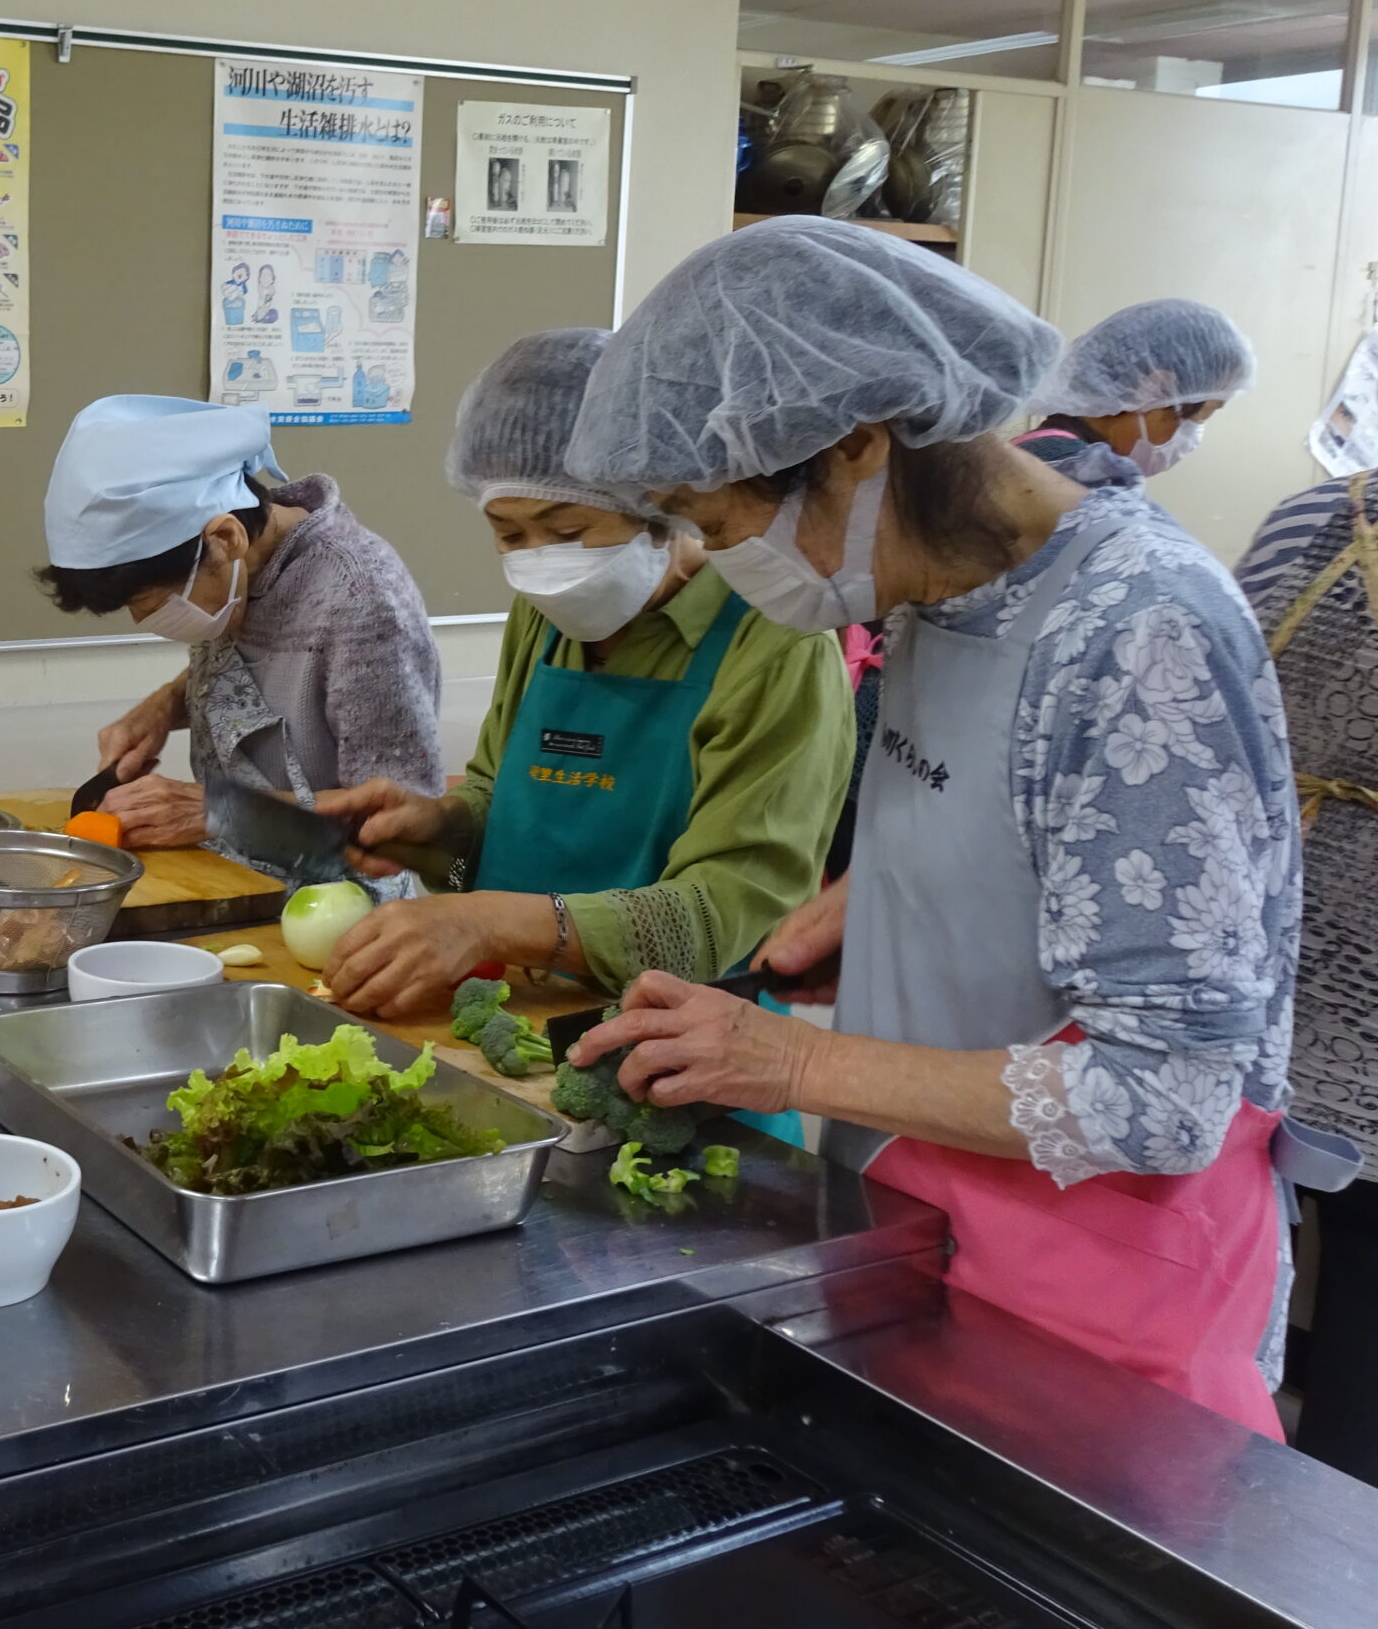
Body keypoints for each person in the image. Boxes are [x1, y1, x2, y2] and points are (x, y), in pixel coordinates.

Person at [556, 216, 1337, 1436]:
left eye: (715, 520)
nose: (714, 559)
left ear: (858, 447)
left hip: (1103, 1293)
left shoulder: (1140, 631)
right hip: (931, 1215)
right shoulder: (936, 590)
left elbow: (1164, 1096)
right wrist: (889, 895)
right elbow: (1051, 827)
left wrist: (791, 1064)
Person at [319, 332, 855, 1060]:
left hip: (679, 1065)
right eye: (508, 534)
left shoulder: (776, 645)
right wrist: (438, 834)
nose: (541, 563)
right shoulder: (544, 618)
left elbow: (727, 919)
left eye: (568, 531)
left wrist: (486, 925)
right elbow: (492, 832)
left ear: (666, 510)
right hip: (507, 1039)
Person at [37, 396, 440, 861]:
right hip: (235, 875)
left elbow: (400, 828)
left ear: (226, 537)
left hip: (343, 911)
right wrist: (166, 705)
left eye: (151, 603)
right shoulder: (239, 572)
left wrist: (218, 812)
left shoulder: (362, 600)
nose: (144, 622)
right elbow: (265, 671)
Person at [1236, 471, 1378, 1478]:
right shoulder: (1312, 518)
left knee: (1251, 1231)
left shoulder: (1308, 516)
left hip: (1268, 909)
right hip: (1325, 951)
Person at [1016, 298, 1253, 480]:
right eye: (1196, 419)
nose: (1191, 441)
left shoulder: (1042, 450)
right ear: (1156, 389)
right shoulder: (1076, 471)